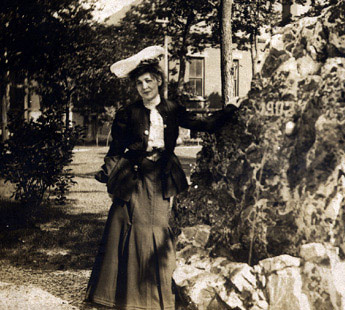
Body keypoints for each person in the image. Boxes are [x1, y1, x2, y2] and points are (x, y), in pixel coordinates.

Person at [85, 46, 239, 310]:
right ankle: (128, 298)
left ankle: (157, 297)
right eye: (139, 83)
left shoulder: (171, 109)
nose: (144, 87)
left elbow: (202, 123)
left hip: (162, 177)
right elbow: (115, 150)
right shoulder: (127, 114)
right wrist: (108, 174)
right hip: (133, 177)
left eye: (148, 81)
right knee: (128, 229)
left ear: (158, 80)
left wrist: (227, 113)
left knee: (158, 229)